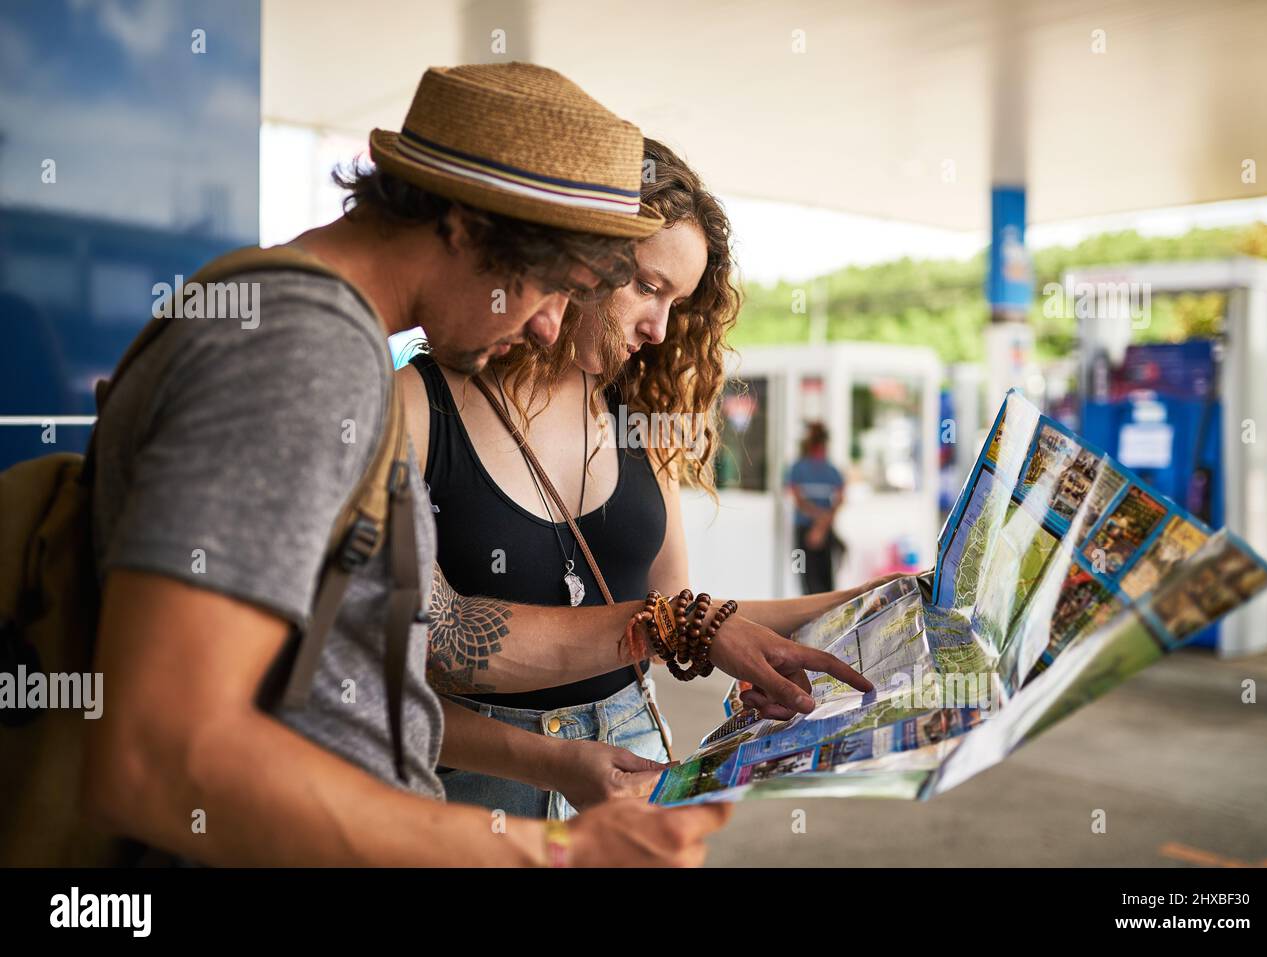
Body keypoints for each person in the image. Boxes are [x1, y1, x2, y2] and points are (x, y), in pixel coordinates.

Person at [84, 63, 740, 866]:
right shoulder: (301, 352)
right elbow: (159, 752)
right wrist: (555, 851)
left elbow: (425, 644)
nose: (547, 331)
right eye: (548, 285)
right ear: (463, 224)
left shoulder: (310, 329)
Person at [399, 139, 890, 819]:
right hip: (475, 784)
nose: (660, 328)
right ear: (574, 257)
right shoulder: (419, 406)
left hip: (629, 765)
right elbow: (421, 655)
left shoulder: (639, 422)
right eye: (647, 286)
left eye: (678, 303)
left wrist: (868, 601)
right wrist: (684, 629)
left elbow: (682, 609)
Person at [787, 422, 845, 595]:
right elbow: (799, 500)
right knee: (813, 577)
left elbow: (799, 500)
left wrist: (819, 525)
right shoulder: (803, 469)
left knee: (809, 577)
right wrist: (822, 521)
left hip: (816, 529)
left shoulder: (826, 470)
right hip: (811, 529)